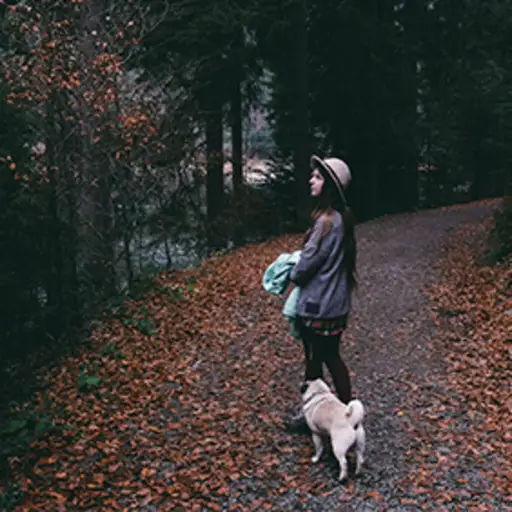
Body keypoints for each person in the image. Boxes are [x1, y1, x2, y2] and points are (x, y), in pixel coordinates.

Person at [287, 155, 357, 431]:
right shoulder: (342, 219)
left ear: (328, 185)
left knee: (318, 360)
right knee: (328, 357)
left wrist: (293, 269)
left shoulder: (325, 223)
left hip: (319, 305)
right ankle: (336, 413)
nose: (311, 180)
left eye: (317, 177)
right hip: (335, 303)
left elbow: (305, 266)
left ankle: (327, 416)